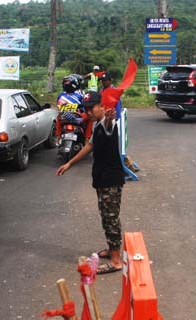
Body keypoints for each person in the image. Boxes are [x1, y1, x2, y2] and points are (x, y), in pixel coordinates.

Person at [56, 91, 125, 274]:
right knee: (106, 216)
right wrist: (69, 163)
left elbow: (110, 125)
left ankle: (116, 260)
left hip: (111, 180)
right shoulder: (95, 126)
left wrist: (110, 118)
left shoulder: (107, 123)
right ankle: (112, 249)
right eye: (86, 109)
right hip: (102, 179)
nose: (88, 113)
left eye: (91, 108)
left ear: (102, 106)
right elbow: (89, 146)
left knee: (110, 218)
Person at [55, 75, 88, 142]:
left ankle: (58, 137)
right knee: (89, 118)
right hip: (77, 119)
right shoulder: (79, 95)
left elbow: (58, 106)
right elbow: (84, 107)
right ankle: (87, 138)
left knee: (58, 118)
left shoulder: (61, 95)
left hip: (63, 119)